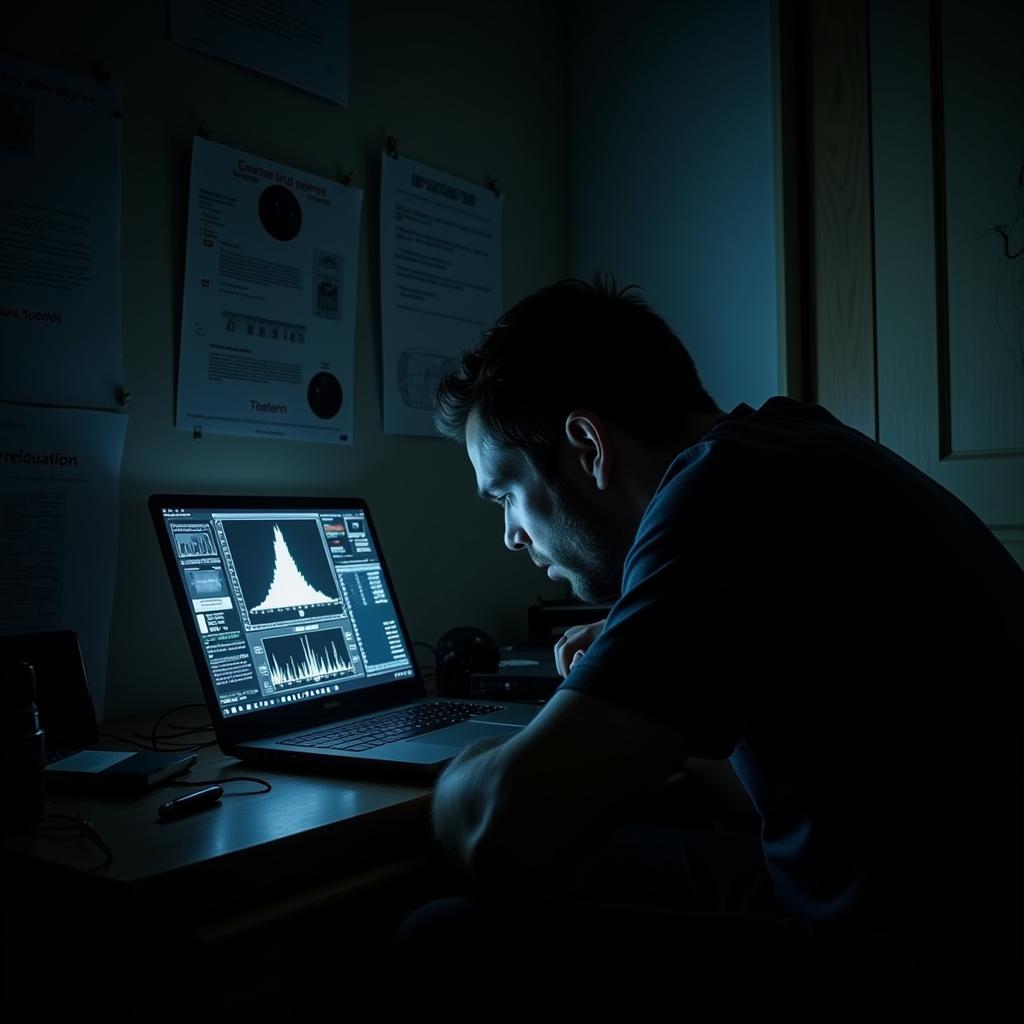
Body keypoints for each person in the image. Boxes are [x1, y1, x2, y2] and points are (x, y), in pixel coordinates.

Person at [392, 277, 1022, 1006]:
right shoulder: (793, 442)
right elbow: (778, 794)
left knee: (441, 935)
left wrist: (456, 780)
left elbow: (508, 834)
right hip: (934, 906)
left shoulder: (726, 492)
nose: (509, 534)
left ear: (587, 446)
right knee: (615, 841)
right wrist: (652, 668)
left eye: (505, 493)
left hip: (924, 964)